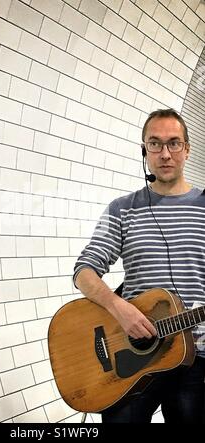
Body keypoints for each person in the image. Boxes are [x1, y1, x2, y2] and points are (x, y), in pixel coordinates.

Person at [73, 108, 205, 423]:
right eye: (155, 144)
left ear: (186, 149)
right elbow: (84, 271)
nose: (165, 153)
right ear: (144, 151)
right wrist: (120, 309)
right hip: (131, 356)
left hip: (197, 357)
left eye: (174, 143)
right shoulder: (122, 209)